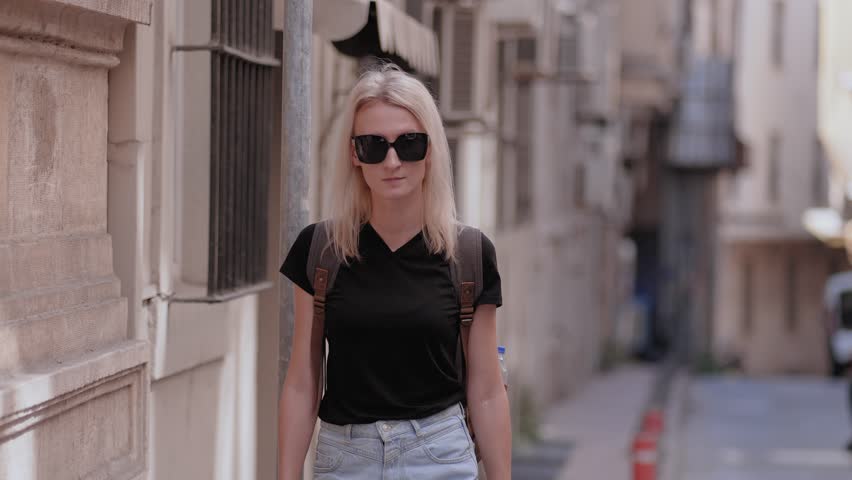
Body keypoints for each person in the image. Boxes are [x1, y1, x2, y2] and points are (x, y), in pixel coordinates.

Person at [277, 64, 512, 479]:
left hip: (439, 456)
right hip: (346, 460)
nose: (392, 161)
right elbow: (302, 380)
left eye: (409, 143)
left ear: (431, 150)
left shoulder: (469, 255)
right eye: (373, 145)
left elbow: (488, 390)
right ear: (354, 154)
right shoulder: (320, 251)